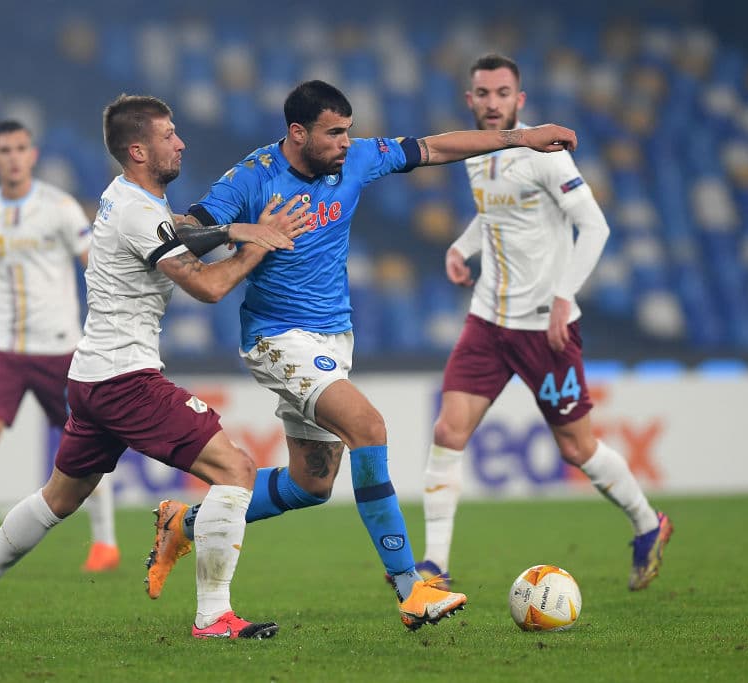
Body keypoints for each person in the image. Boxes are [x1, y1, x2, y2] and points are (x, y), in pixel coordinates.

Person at [143, 79, 578, 631]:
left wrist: (521, 137)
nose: (348, 143)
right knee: (369, 427)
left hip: (334, 338)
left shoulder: (357, 161)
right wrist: (245, 230)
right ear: (297, 133)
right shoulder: (253, 177)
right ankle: (410, 587)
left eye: (349, 131)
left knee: (312, 484)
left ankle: (183, 523)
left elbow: (435, 148)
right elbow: (181, 231)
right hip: (277, 337)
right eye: (335, 133)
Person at [0, 94, 312, 639]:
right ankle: (213, 618)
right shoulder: (138, 211)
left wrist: (237, 231)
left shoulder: (127, 198)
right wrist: (257, 244)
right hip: (125, 379)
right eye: (168, 135)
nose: (180, 142)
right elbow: (207, 286)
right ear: (139, 149)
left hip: (92, 377)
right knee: (236, 470)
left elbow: (179, 232)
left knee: (59, 497)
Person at [417, 54, 672, 591]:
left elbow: (595, 227)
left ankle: (649, 524)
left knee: (576, 449)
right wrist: (461, 248)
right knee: (447, 431)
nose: (492, 103)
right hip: (487, 321)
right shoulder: (474, 154)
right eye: (482, 94)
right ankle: (434, 567)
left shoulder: (546, 156)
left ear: (519, 99)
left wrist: (563, 298)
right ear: (470, 100)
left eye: (502, 93)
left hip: (544, 327)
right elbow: (494, 216)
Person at [0, 120, 120, 576]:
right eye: (4, 150)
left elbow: (93, 266)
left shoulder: (59, 207)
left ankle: (105, 544)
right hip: (3, 348)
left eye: (20, 148)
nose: (13, 157)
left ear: (32, 155)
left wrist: (106, 328)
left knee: (87, 442)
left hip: (61, 347)